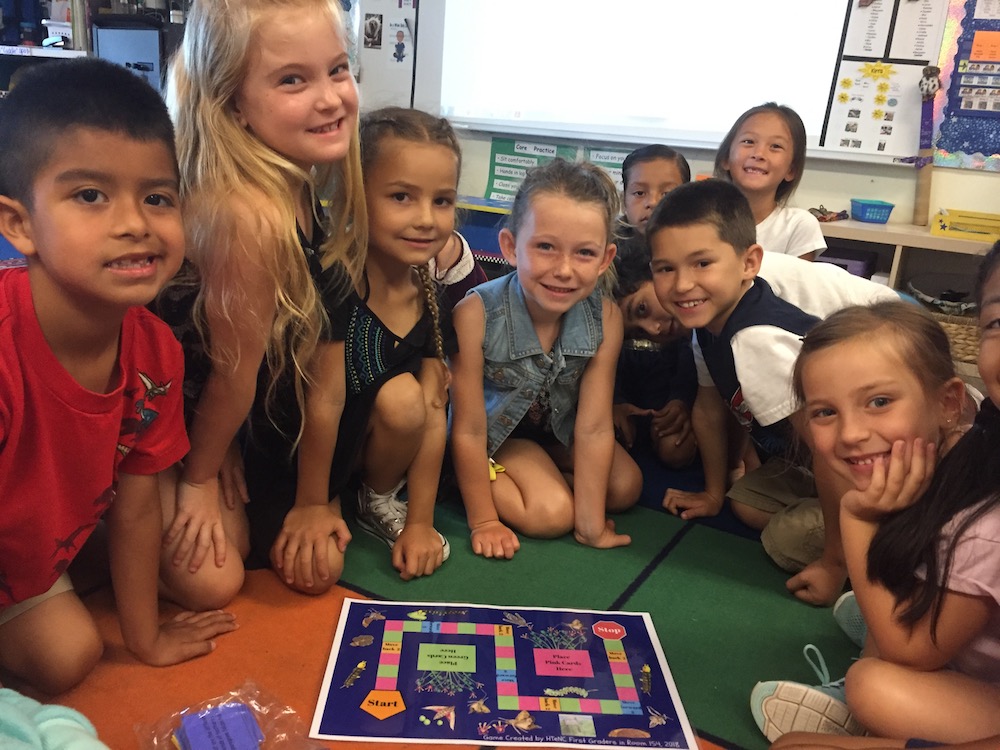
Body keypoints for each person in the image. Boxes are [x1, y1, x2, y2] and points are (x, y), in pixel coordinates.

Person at [0, 58, 236, 695]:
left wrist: (147, 638)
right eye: (90, 196)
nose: (135, 223)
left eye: (157, 198)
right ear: (19, 224)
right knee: (67, 656)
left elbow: (136, 510)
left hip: (41, 541)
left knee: (196, 583)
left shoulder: (155, 351)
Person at [751, 249, 1000, 744]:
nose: (851, 434)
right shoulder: (959, 453)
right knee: (882, 626)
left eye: (879, 402)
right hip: (951, 642)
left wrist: (859, 517)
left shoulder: (984, 519)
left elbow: (914, 652)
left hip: (959, 668)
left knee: (871, 687)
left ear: (949, 403)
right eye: (824, 413)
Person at [159, 0, 366, 593]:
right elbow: (228, 376)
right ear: (233, 105)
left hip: (232, 414)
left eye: (338, 68)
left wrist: (314, 500)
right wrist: (197, 477)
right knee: (214, 582)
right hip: (161, 414)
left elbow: (327, 367)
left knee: (306, 568)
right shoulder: (247, 216)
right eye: (293, 80)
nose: (330, 97)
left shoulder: (300, 184)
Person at [649, 179, 899, 606]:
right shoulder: (709, 324)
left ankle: (897, 538)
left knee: (784, 540)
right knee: (744, 503)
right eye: (665, 268)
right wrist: (712, 493)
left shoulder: (756, 341)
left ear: (750, 263)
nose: (682, 285)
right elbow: (710, 408)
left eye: (702, 263)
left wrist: (835, 563)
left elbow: (830, 449)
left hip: (869, 462)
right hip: (826, 458)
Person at [275, 106, 457, 583]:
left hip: (368, 452)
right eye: (401, 196)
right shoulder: (332, 282)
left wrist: (420, 523)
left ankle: (374, 497)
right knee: (314, 575)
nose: (426, 219)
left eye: (442, 201)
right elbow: (322, 403)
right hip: (303, 456)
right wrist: (314, 501)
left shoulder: (431, 297)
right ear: (355, 194)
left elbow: (434, 414)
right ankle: (334, 496)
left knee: (406, 399)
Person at [450, 158, 644, 560]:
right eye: (545, 247)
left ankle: (543, 477)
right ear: (510, 247)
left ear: (606, 259)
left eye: (584, 253)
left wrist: (590, 526)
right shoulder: (475, 314)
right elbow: (467, 428)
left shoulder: (605, 317)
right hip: (494, 438)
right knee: (551, 515)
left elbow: (592, 427)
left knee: (625, 488)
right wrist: (484, 521)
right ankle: (463, 478)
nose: (564, 270)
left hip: (556, 432)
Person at [715, 103, 826, 261]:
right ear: (726, 157)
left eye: (775, 146)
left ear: (791, 170)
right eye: (748, 141)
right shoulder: (700, 216)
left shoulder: (798, 225)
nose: (759, 154)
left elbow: (795, 284)